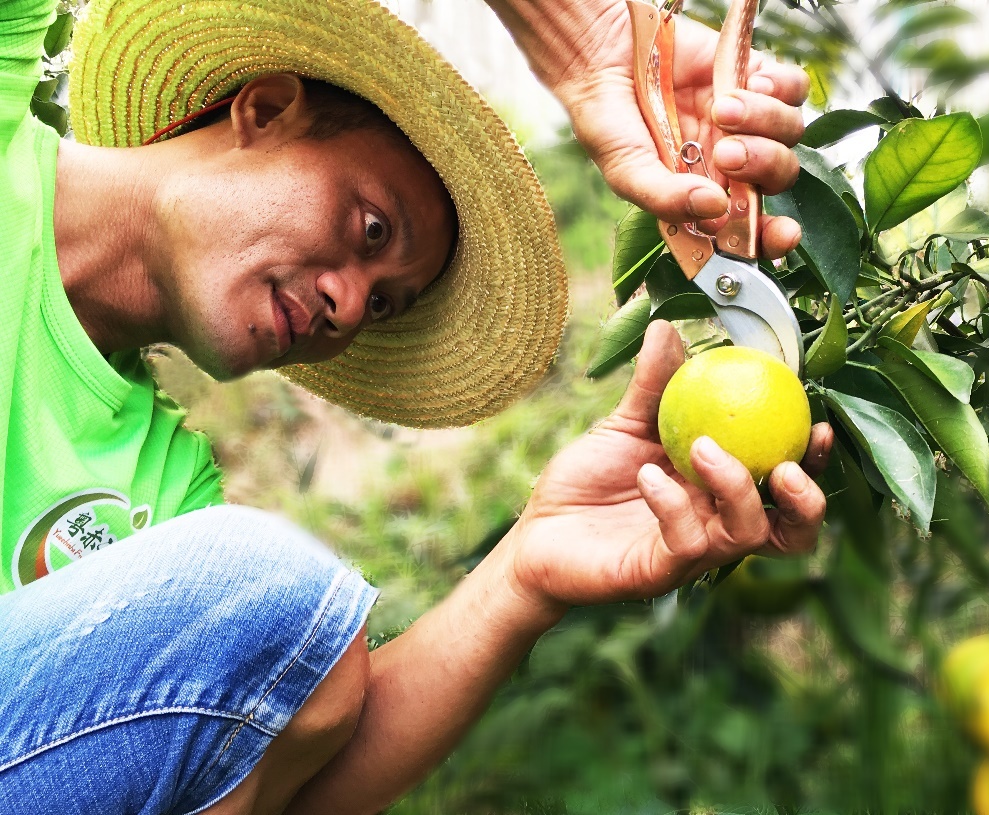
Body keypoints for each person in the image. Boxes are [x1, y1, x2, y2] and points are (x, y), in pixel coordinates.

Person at [0, 0, 832, 812]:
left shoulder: (162, 485)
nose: (351, 308)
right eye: (369, 230)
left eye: (383, 305)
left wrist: (527, 569)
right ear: (264, 108)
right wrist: (587, 30)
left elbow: (277, 768)